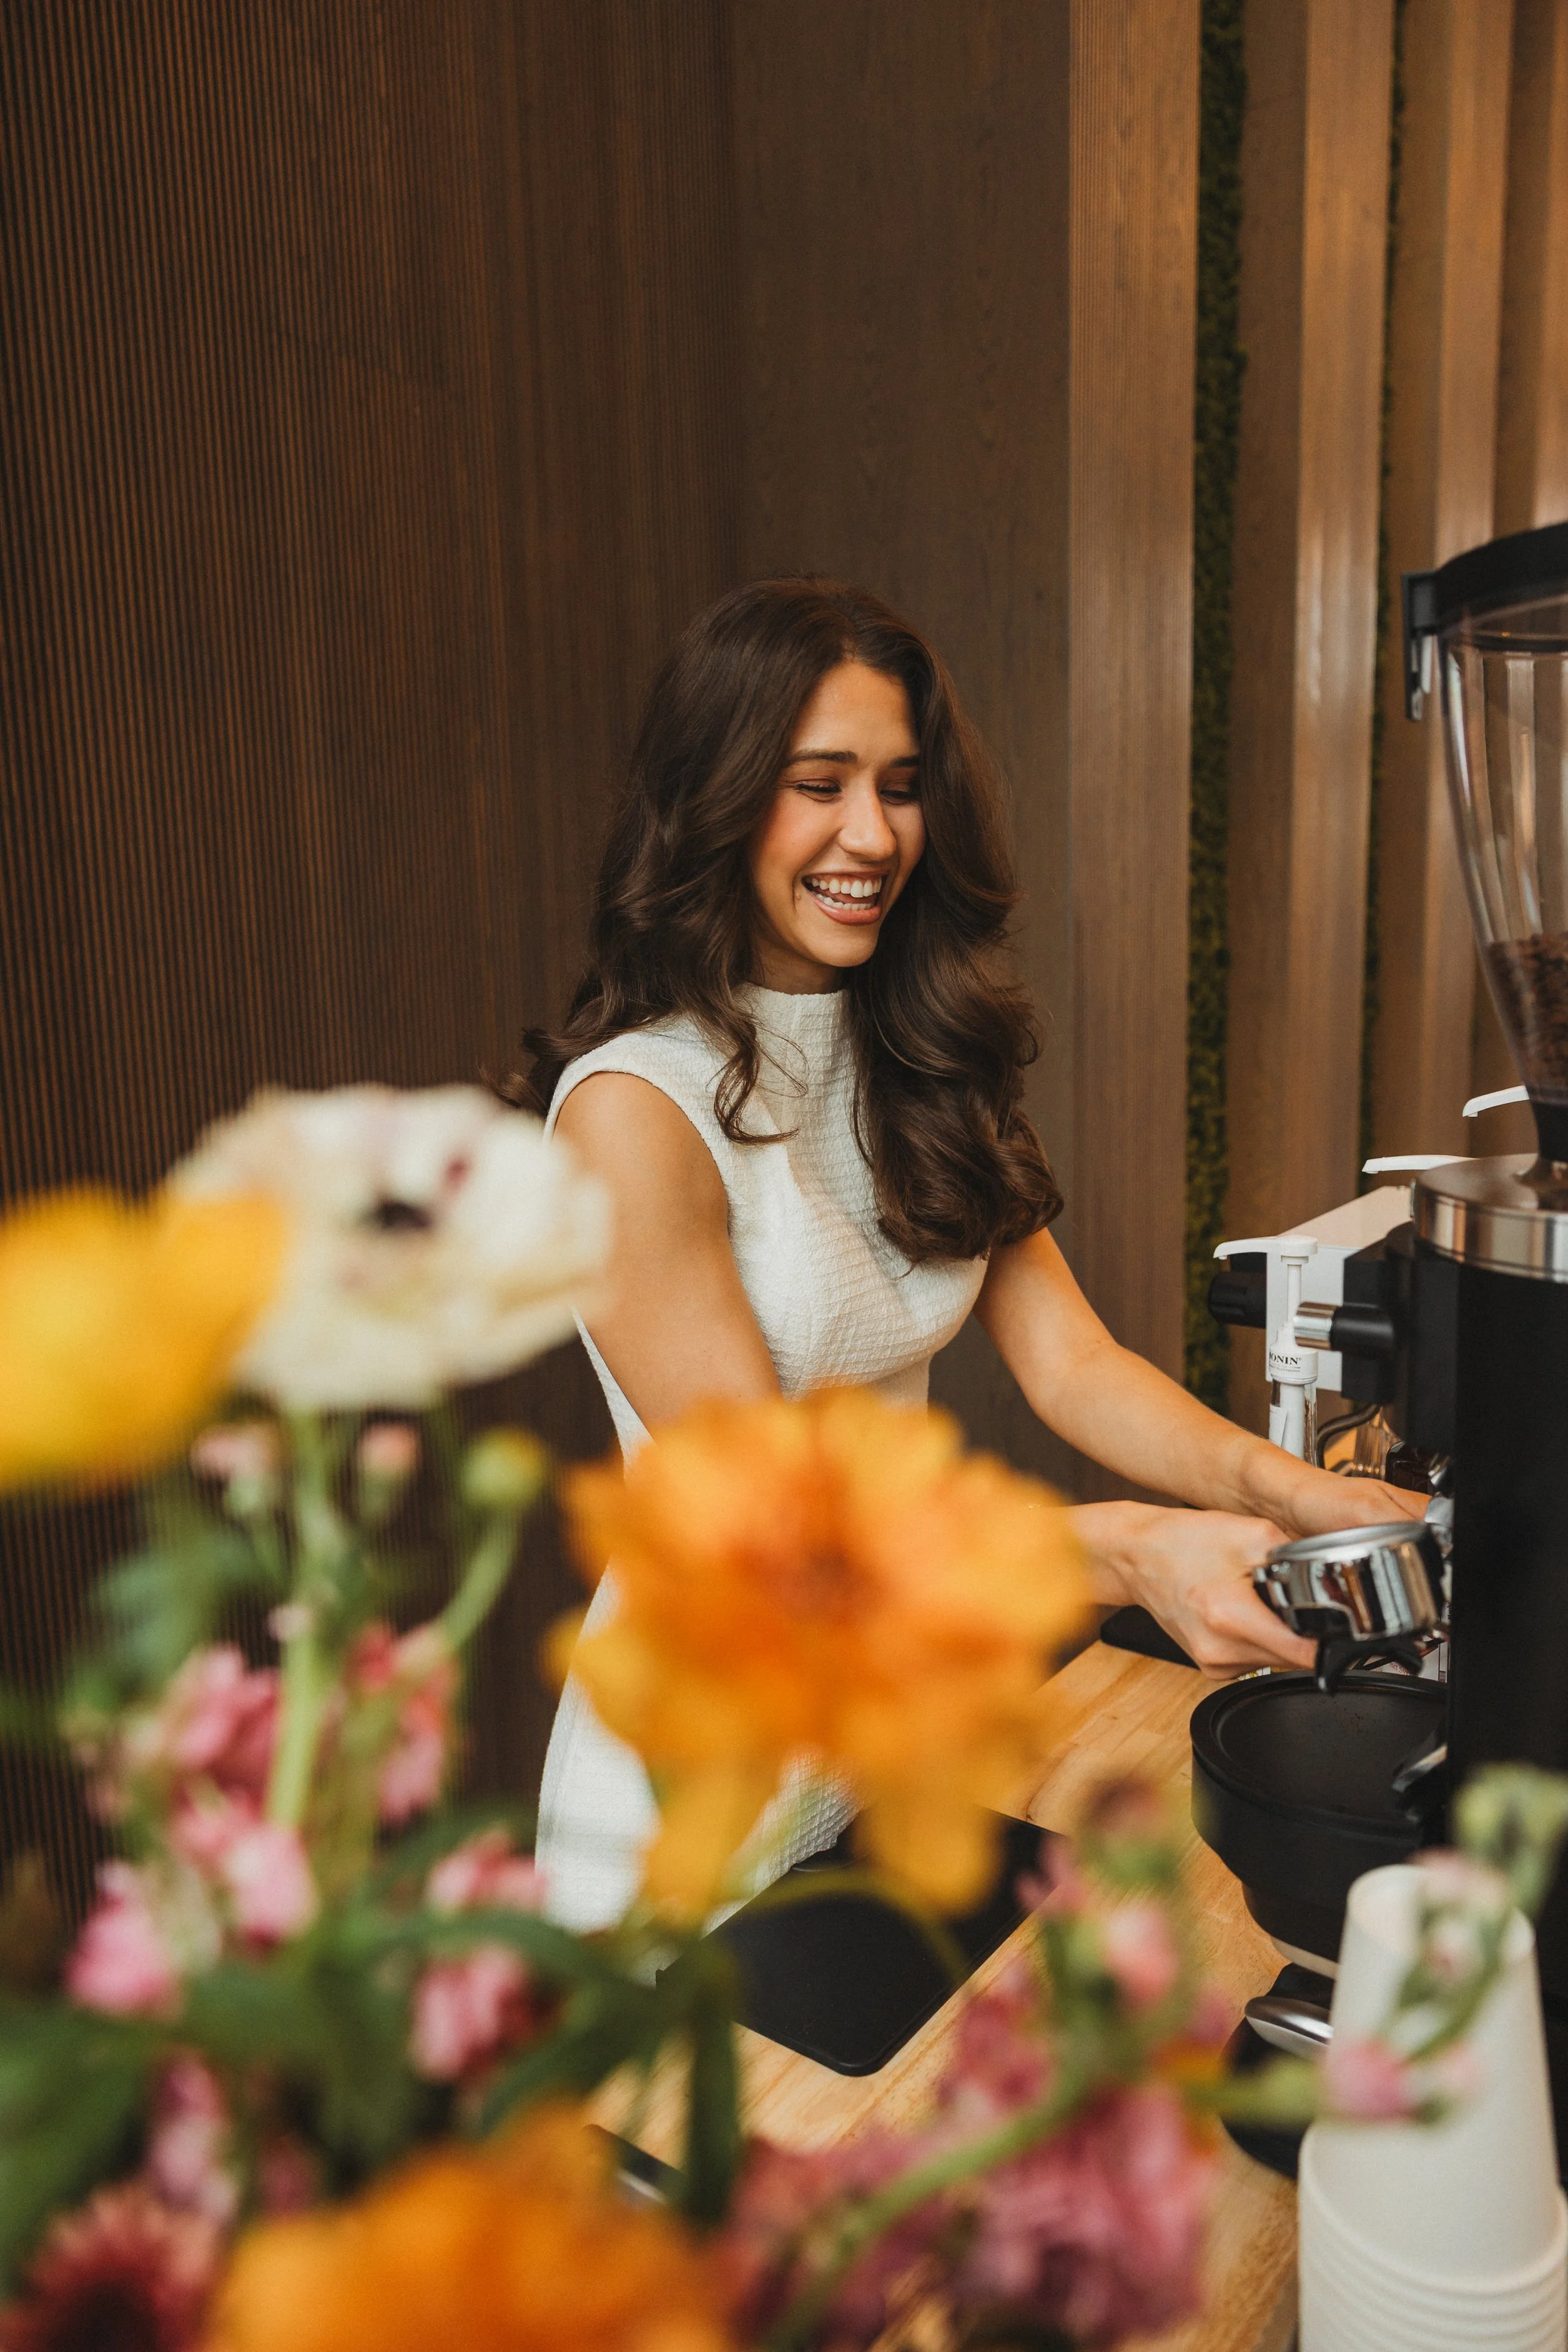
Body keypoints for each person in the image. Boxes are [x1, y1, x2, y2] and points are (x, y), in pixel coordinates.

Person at [518, 578, 1421, 1929]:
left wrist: (1287, 1491)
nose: (869, 835)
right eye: (814, 784)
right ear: (713, 801)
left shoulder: (913, 1061)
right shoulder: (627, 1115)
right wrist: (1121, 1553)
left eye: (896, 784)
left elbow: (1074, 1366)